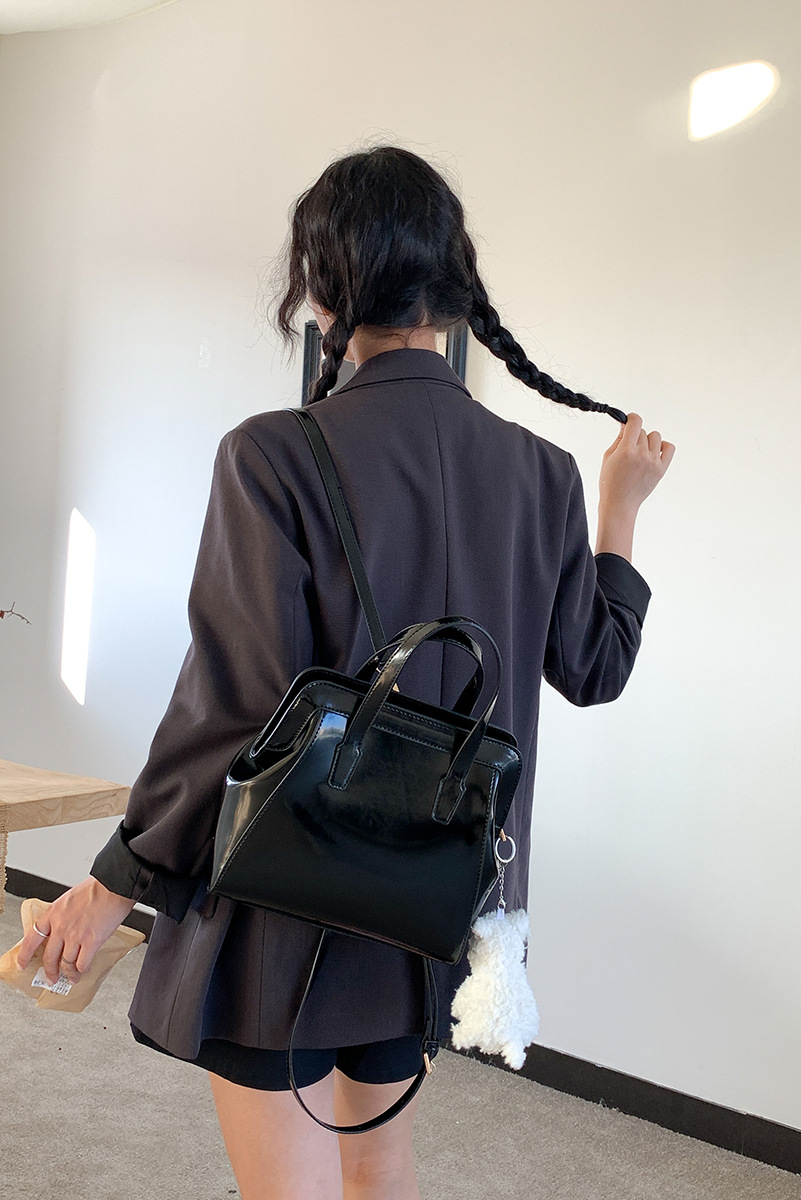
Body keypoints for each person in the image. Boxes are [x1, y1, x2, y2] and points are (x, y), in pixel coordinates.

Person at [15, 145, 674, 1199]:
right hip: (429, 900)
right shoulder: (544, 473)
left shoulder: (273, 454)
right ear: (455, 292)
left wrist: (115, 882)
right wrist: (620, 512)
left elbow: (233, 707)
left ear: (322, 294)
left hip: (287, 902)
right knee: (376, 1167)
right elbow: (596, 667)